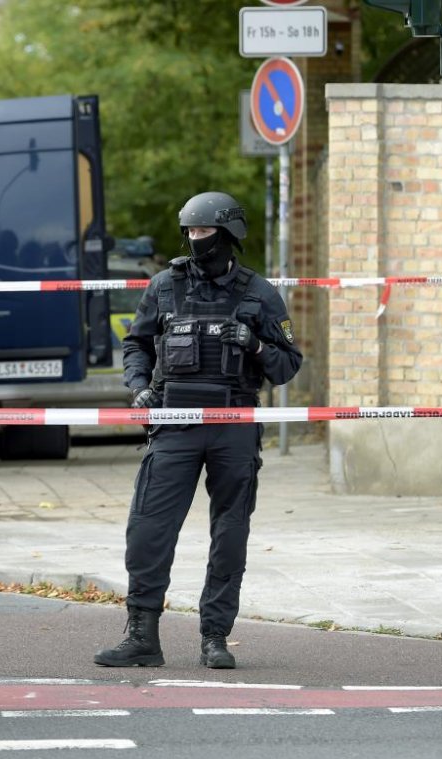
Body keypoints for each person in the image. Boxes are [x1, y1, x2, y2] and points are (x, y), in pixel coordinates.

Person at [93, 191, 302, 671]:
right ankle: (142, 636)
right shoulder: (164, 286)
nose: (193, 239)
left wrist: (254, 346)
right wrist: (139, 387)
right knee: (148, 529)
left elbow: (289, 365)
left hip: (233, 426)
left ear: (228, 236)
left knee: (229, 533)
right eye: (188, 231)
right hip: (173, 423)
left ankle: (215, 637)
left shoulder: (260, 294)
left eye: (202, 231)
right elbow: (137, 345)